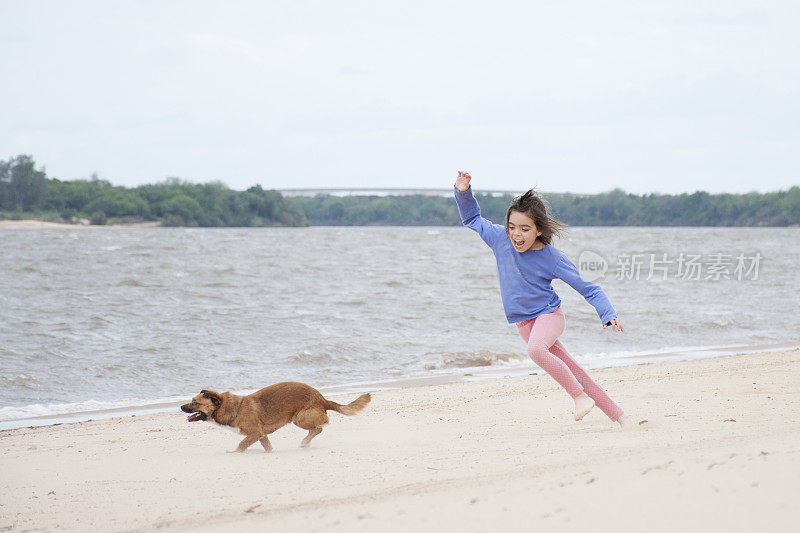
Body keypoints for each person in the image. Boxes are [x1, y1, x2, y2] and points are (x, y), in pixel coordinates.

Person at [454, 171, 632, 427]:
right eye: (512, 227)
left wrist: (607, 313)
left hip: (549, 316)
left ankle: (579, 397)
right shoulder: (499, 239)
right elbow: (472, 218)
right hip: (525, 324)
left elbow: (589, 288)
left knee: (536, 350)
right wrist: (463, 192)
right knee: (575, 371)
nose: (517, 234)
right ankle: (622, 418)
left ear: (538, 230)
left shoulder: (551, 258)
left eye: (525, 229)